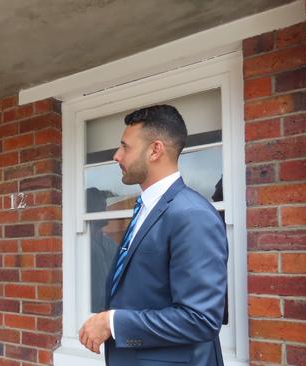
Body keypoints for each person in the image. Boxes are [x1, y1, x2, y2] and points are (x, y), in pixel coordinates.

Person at [78, 105, 228, 365]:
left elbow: (200, 319)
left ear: (155, 150)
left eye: (126, 147)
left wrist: (112, 323)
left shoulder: (192, 214)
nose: (116, 155)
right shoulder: (145, 208)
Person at [87, 187, 118, 313]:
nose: (105, 207)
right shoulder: (81, 246)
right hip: (90, 315)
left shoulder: (110, 244)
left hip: (112, 314)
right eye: (100, 204)